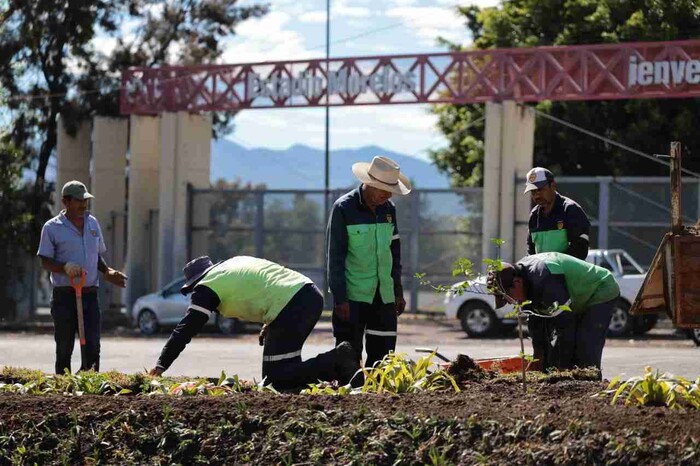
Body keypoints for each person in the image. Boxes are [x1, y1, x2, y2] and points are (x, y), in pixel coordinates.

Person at [149, 256, 359, 389]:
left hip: (295, 303)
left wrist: (161, 365)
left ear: (195, 282)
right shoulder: (231, 266)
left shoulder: (207, 287)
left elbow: (185, 330)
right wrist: (269, 321)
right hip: (305, 293)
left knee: (275, 379)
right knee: (276, 376)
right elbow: (264, 284)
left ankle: (338, 360)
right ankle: (339, 374)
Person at [326, 155, 411, 368]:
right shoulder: (344, 208)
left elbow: (394, 253)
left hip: (384, 296)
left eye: (391, 190)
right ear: (370, 184)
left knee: (383, 358)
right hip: (353, 296)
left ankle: (378, 399)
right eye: (384, 189)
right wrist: (340, 299)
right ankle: (350, 398)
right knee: (348, 356)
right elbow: (335, 257)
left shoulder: (389, 210)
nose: (388, 195)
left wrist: (397, 291)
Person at [37, 180, 128, 374]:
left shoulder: (92, 223)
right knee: (64, 346)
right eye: (78, 201)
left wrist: (107, 272)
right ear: (65, 202)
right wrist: (64, 267)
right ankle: (63, 387)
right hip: (64, 296)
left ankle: (88, 386)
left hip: (89, 295)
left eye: (85, 200)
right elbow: (45, 260)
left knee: (93, 345)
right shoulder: (52, 228)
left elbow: (96, 256)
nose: (83, 205)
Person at [489, 252, 619, 377]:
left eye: (508, 297)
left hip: (600, 289)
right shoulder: (523, 279)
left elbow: (565, 324)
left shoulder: (545, 279)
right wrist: (538, 357)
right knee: (555, 355)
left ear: (517, 283)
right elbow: (537, 323)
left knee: (585, 349)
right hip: (575, 298)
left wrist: (561, 370)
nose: (511, 303)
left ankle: (591, 387)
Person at [524, 167, 591, 260]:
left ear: (553, 185)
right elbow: (530, 252)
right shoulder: (534, 215)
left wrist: (552, 265)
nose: (537, 195)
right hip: (542, 273)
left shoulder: (571, 210)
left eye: (540, 189)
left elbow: (580, 251)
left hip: (568, 273)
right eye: (533, 191)